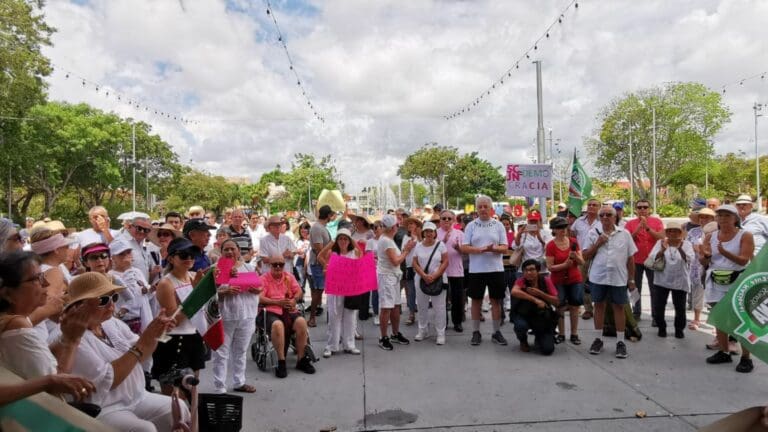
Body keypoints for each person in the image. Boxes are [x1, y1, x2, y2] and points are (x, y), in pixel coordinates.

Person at [66, 272, 184, 431]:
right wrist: (142, 343)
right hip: (105, 407)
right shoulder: (74, 336)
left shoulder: (111, 323)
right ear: (80, 306)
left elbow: (142, 356)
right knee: (144, 429)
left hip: (137, 397)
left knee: (179, 409)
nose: (111, 305)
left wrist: (155, 334)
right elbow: (109, 380)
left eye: (114, 297)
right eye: (103, 300)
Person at [0, 251, 92, 380]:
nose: (46, 284)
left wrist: (66, 336)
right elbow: (57, 384)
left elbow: (41, 359)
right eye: (37, 278)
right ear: (7, 294)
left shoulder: (15, 319)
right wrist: (72, 340)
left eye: (43, 276)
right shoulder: (16, 325)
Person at [703, 204, 755, 373]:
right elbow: (704, 262)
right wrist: (705, 256)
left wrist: (724, 252)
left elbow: (744, 260)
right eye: (720, 215)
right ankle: (724, 351)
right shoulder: (710, 236)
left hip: (737, 280)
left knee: (741, 319)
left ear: (735, 219)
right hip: (715, 281)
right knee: (719, 318)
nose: (723, 219)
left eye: (727, 215)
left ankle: (746, 357)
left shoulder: (745, 235)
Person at [152, 237, 208, 394]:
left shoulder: (193, 276)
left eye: (192, 254)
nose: (189, 258)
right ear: (171, 259)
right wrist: (196, 294)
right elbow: (173, 321)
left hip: (194, 337)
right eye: (183, 255)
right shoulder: (166, 283)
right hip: (173, 341)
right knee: (174, 395)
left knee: (192, 391)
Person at [582, 205, 637, 359]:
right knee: (599, 306)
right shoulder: (593, 233)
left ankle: (620, 341)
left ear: (615, 217)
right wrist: (598, 243)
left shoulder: (625, 234)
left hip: (618, 278)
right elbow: (585, 256)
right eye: (602, 215)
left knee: (619, 307)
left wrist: (631, 279)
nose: (605, 217)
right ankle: (598, 339)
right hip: (598, 277)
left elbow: (630, 258)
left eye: (608, 214)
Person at [212, 239, 261, 394]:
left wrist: (256, 290)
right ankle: (220, 386)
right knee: (221, 352)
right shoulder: (216, 269)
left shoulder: (249, 268)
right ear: (221, 252)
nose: (229, 252)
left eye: (232, 248)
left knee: (240, 351)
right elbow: (209, 293)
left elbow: (259, 288)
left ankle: (239, 382)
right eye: (226, 249)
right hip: (225, 316)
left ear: (238, 250)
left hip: (247, 315)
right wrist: (224, 291)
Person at [460, 195, 509, 346]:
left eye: (485, 206)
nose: (482, 209)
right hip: (476, 270)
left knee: (496, 301)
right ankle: (476, 332)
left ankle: (496, 332)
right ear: (476, 209)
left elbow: (505, 247)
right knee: (476, 301)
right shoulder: (471, 226)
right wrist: (479, 250)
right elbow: (464, 247)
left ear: (490, 208)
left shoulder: (498, 225)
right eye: (480, 206)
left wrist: (493, 249)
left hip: (496, 269)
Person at [258, 254, 316, 378]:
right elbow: (260, 298)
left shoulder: (289, 277)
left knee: (301, 322)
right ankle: (281, 361)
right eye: (275, 264)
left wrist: (294, 300)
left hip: (289, 309)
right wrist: (277, 302)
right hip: (270, 310)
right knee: (278, 325)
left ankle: (301, 359)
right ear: (270, 265)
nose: (278, 267)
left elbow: (299, 291)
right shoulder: (264, 278)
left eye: (281, 264)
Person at [318, 228, 363, 357]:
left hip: (350, 290)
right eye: (340, 239)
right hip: (335, 290)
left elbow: (360, 253)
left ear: (349, 241)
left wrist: (350, 238)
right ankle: (331, 346)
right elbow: (320, 256)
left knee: (350, 318)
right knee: (334, 317)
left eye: (345, 239)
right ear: (337, 241)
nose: (343, 241)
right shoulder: (332, 253)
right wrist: (333, 241)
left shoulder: (354, 253)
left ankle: (349, 345)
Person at [648, 221, 694, 339]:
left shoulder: (686, 244)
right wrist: (662, 250)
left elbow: (690, 259)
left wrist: (680, 248)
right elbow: (652, 258)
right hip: (661, 279)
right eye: (670, 231)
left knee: (680, 307)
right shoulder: (660, 242)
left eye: (675, 231)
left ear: (680, 233)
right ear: (667, 233)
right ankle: (661, 327)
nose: (672, 233)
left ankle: (679, 329)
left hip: (680, 280)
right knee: (659, 306)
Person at [375, 215, 415, 350]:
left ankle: (395, 333)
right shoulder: (386, 241)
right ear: (393, 227)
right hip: (387, 277)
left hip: (393, 276)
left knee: (395, 306)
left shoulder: (387, 239)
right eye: (397, 225)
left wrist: (405, 250)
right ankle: (383, 337)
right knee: (386, 307)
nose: (398, 227)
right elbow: (396, 261)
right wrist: (407, 250)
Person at [545, 217, 585, 345]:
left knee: (574, 305)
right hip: (558, 280)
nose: (563, 229)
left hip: (574, 278)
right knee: (560, 306)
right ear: (554, 230)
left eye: (564, 227)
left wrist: (576, 257)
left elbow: (582, 262)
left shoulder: (573, 242)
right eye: (560, 227)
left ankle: (574, 334)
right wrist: (564, 265)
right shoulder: (551, 245)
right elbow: (550, 267)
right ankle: (561, 334)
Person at [624, 199, 665, 320]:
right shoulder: (630, 224)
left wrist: (647, 228)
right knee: (634, 288)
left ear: (649, 209)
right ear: (636, 210)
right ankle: (636, 312)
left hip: (652, 260)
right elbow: (626, 240)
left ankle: (655, 315)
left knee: (654, 289)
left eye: (645, 207)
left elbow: (661, 237)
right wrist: (637, 229)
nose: (642, 209)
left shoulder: (656, 222)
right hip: (635, 260)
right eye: (639, 207)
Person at [510, 259, 560, 355]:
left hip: (541, 317)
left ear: (538, 271)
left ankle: (539, 337)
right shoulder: (521, 281)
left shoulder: (546, 281)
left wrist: (540, 294)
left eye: (532, 269)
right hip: (524, 314)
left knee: (547, 350)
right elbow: (514, 291)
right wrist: (535, 299)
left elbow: (557, 302)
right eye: (526, 270)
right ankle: (523, 341)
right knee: (520, 325)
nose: (528, 272)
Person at [412, 222, 449, 345]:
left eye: (431, 231)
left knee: (439, 307)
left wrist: (435, 275)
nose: (429, 233)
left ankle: (440, 333)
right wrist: (423, 275)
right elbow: (415, 263)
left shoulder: (440, 245)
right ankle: (423, 330)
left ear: (435, 233)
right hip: (421, 279)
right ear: (423, 232)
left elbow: (445, 261)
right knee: (422, 306)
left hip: (438, 279)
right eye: (426, 231)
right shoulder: (418, 246)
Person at [108, 238, 153, 335]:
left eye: (128, 252)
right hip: (125, 320)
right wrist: (127, 269)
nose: (126, 256)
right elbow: (129, 295)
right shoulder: (111, 276)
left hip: (142, 317)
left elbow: (144, 292)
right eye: (121, 254)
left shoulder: (137, 271)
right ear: (113, 258)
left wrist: (149, 289)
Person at [570, 198, 601, 320]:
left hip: (599, 256)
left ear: (599, 208)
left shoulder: (602, 221)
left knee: (598, 282)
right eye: (589, 205)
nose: (591, 207)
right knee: (582, 283)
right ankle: (588, 309)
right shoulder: (579, 221)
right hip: (582, 256)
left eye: (594, 205)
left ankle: (600, 307)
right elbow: (572, 235)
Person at [437, 210, 465, 332]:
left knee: (457, 299)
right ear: (440, 220)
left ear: (454, 220)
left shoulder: (459, 233)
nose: (446, 220)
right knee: (441, 299)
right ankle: (444, 322)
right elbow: (431, 251)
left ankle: (457, 322)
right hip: (441, 271)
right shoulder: (435, 233)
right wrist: (443, 241)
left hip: (456, 270)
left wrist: (458, 248)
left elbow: (465, 252)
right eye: (444, 218)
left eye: (449, 218)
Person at [687, 208, 715, 330]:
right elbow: (687, 246)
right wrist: (695, 248)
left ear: (713, 219)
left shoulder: (718, 231)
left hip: (714, 267)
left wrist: (702, 249)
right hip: (696, 267)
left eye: (707, 217)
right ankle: (696, 319)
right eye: (701, 217)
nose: (704, 219)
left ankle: (716, 323)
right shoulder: (693, 231)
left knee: (715, 295)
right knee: (697, 293)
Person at [308, 205, 335, 327]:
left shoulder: (321, 227)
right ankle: (312, 318)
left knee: (325, 291)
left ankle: (328, 317)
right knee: (318, 291)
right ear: (328, 215)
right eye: (331, 215)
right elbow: (319, 248)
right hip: (319, 263)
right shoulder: (317, 228)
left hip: (324, 262)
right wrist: (325, 264)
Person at [119, 216, 160, 283]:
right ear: (130, 226)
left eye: (146, 230)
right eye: (139, 228)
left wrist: (153, 274)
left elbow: (143, 273)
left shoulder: (141, 245)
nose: (142, 231)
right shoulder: (122, 242)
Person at [401, 217, 423, 326]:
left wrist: (417, 239)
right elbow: (403, 250)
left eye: (412, 223)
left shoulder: (421, 237)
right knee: (410, 291)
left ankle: (423, 315)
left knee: (421, 291)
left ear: (417, 226)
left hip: (421, 267)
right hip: (409, 267)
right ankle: (411, 313)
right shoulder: (406, 237)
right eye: (408, 224)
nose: (410, 225)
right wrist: (409, 245)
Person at [294, 222, 312, 291]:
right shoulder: (298, 241)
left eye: (305, 232)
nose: (303, 234)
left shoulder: (312, 240)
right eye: (302, 232)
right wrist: (299, 251)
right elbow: (297, 251)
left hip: (310, 264)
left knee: (312, 285)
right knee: (300, 284)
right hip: (300, 264)